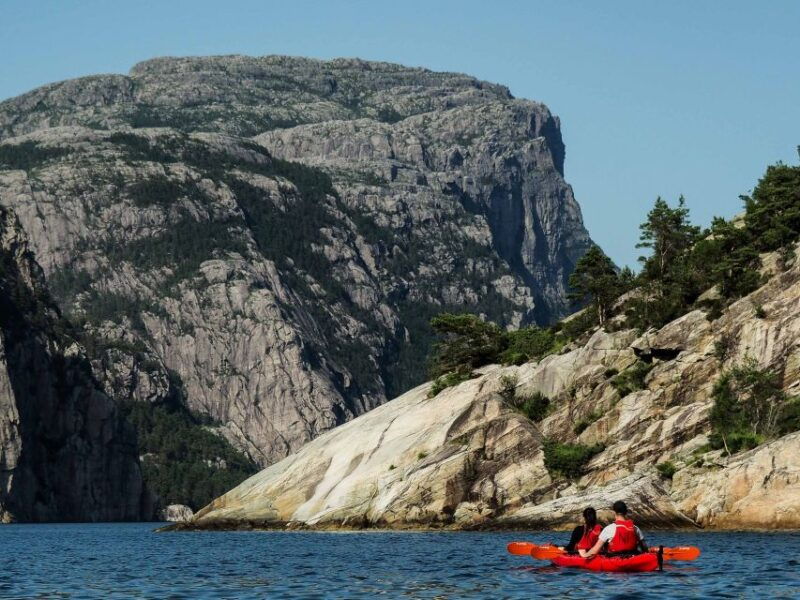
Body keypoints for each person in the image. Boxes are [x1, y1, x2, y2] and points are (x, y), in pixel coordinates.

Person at [583, 500, 648, 558]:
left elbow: (594, 551)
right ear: (626, 512)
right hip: (633, 558)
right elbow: (644, 549)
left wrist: (584, 556)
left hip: (615, 560)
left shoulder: (608, 529)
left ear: (614, 512)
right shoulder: (635, 528)